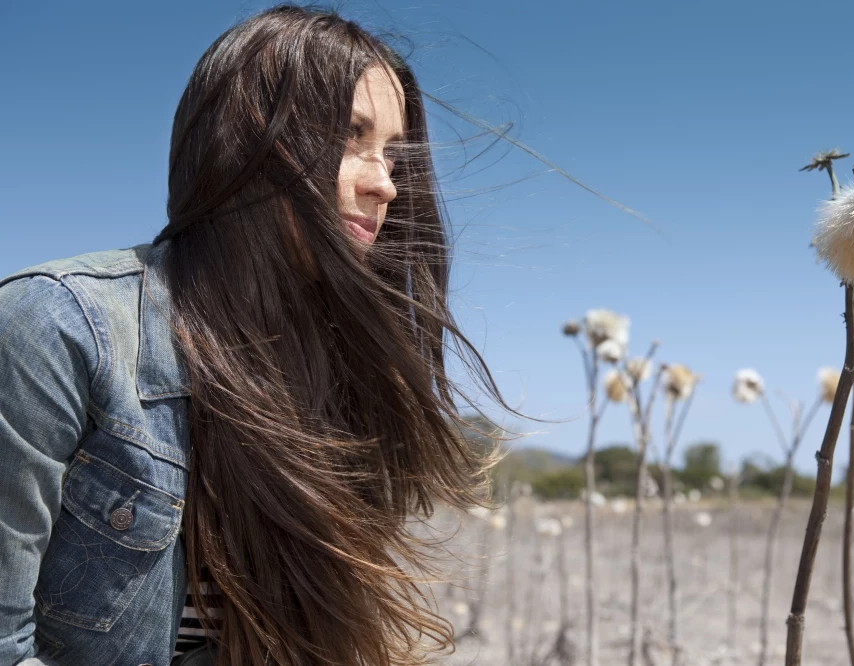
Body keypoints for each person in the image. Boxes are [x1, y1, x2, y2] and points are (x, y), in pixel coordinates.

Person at [0, 5, 507, 665]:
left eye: (392, 154)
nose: (384, 182)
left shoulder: (343, 374)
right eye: (350, 136)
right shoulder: (59, 329)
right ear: (245, 141)